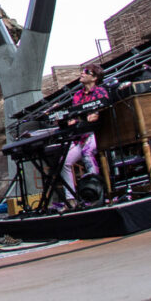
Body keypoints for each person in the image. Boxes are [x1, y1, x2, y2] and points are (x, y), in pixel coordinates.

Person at [56, 64, 110, 210]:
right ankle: (71, 200)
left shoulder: (100, 92)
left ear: (94, 77)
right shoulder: (77, 95)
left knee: (87, 153)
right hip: (80, 136)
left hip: (96, 134)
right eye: (82, 71)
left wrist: (82, 118)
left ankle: (96, 195)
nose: (82, 73)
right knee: (64, 162)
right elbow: (75, 118)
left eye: (87, 72)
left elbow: (96, 116)